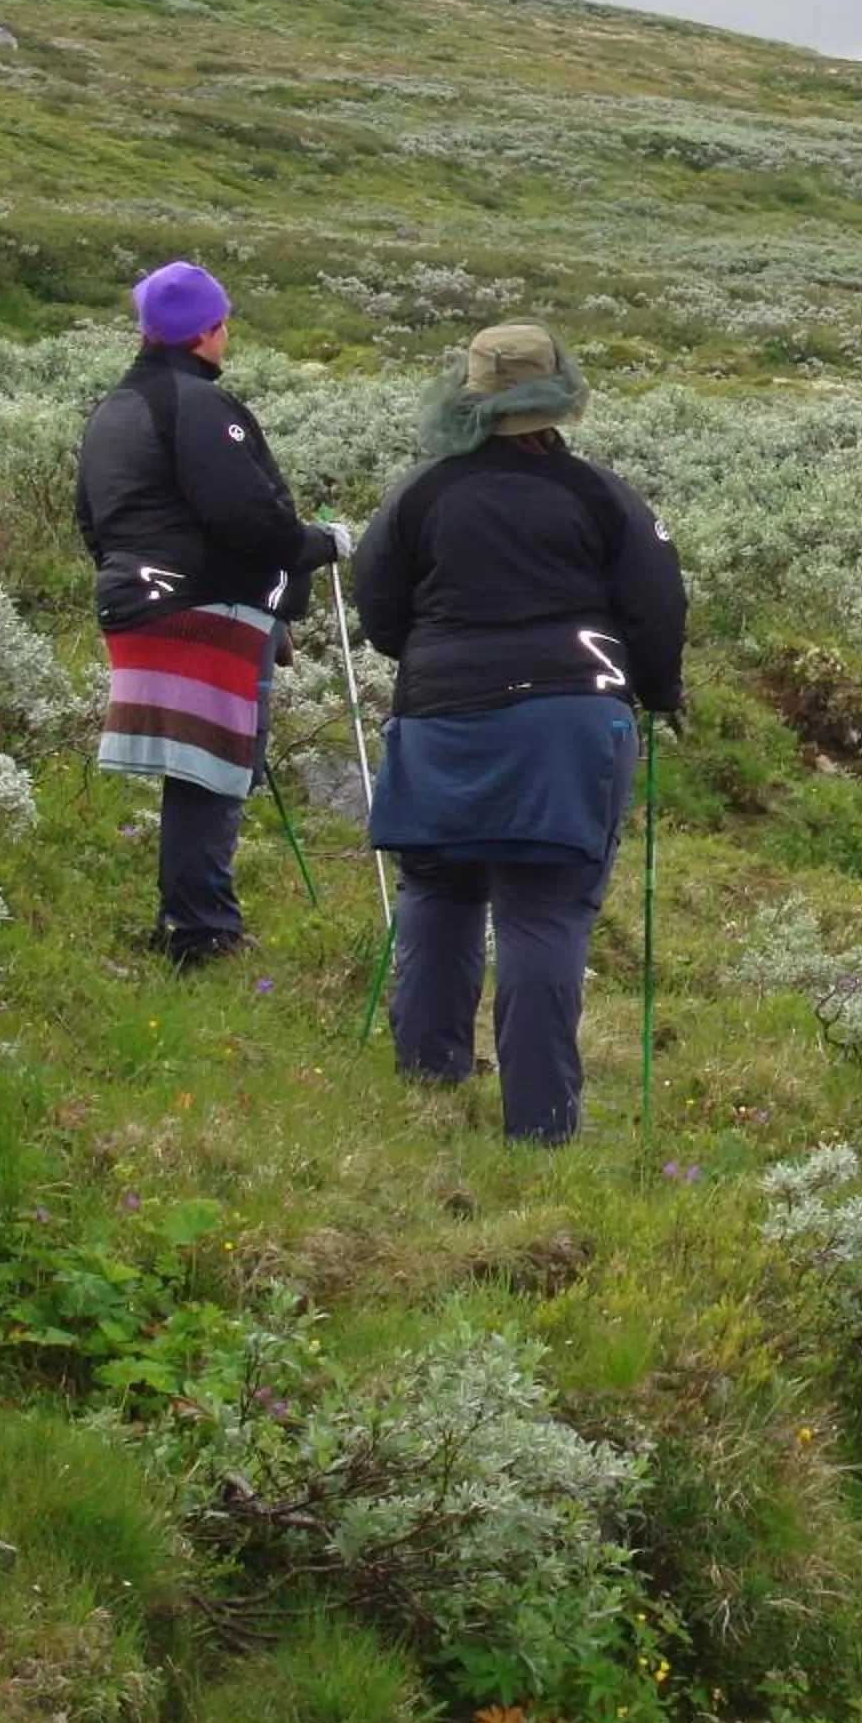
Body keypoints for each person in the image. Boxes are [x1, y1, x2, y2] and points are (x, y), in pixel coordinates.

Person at [351, 323, 686, 1141]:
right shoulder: (600, 496)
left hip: (439, 717)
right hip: (569, 727)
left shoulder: (421, 494)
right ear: (557, 402)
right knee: (543, 914)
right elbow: (658, 606)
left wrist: (437, 662)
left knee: (437, 888)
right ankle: (539, 1126)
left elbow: (378, 606)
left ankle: (428, 1085)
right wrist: (658, 691)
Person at [76, 259, 349, 966]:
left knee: (192, 767)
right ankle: (203, 932)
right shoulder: (201, 407)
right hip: (203, 609)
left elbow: (92, 518)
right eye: (223, 324)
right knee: (210, 766)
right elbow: (248, 517)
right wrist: (318, 547)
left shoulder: (113, 408)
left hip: (136, 601)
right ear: (207, 330)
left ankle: (190, 918)